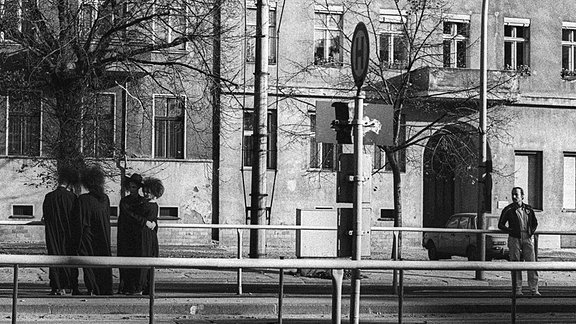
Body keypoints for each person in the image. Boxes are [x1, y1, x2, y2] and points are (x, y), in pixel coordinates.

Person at [71, 165, 113, 295]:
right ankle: (104, 288)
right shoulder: (104, 199)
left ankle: (92, 287)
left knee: (88, 263)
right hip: (103, 237)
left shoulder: (83, 199)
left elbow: (79, 222)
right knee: (102, 263)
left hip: (88, 237)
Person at [42, 165, 80, 295]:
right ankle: (70, 286)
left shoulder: (49, 197)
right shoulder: (72, 198)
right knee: (69, 259)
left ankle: (56, 287)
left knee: (54, 258)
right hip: (68, 234)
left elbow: (45, 217)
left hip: (53, 235)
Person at [498, 187, 540, 296]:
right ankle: (517, 290)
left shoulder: (529, 209)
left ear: (522, 196)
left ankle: (534, 289)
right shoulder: (508, 209)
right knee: (515, 264)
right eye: (513, 194)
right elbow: (500, 224)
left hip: (527, 237)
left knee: (532, 263)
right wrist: (510, 231)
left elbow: (535, 223)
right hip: (514, 238)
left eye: (516, 194)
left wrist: (531, 232)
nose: (514, 197)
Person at [117, 173, 145, 295]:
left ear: (138, 188)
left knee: (136, 261)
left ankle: (135, 286)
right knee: (125, 261)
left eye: (134, 187)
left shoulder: (142, 201)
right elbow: (128, 215)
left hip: (137, 236)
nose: (132, 189)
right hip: (126, 235)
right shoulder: (124, 201)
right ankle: (125, 286)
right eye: (131, 187)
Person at [137, 177, 164, 295]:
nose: (145, 193)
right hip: (150, 235)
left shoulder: (147, 205)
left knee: (144, 259)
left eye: (148, 192)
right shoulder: (153, 205)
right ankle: (147, 286)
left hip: (145, 235)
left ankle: (142, 286)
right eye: (145, 191)